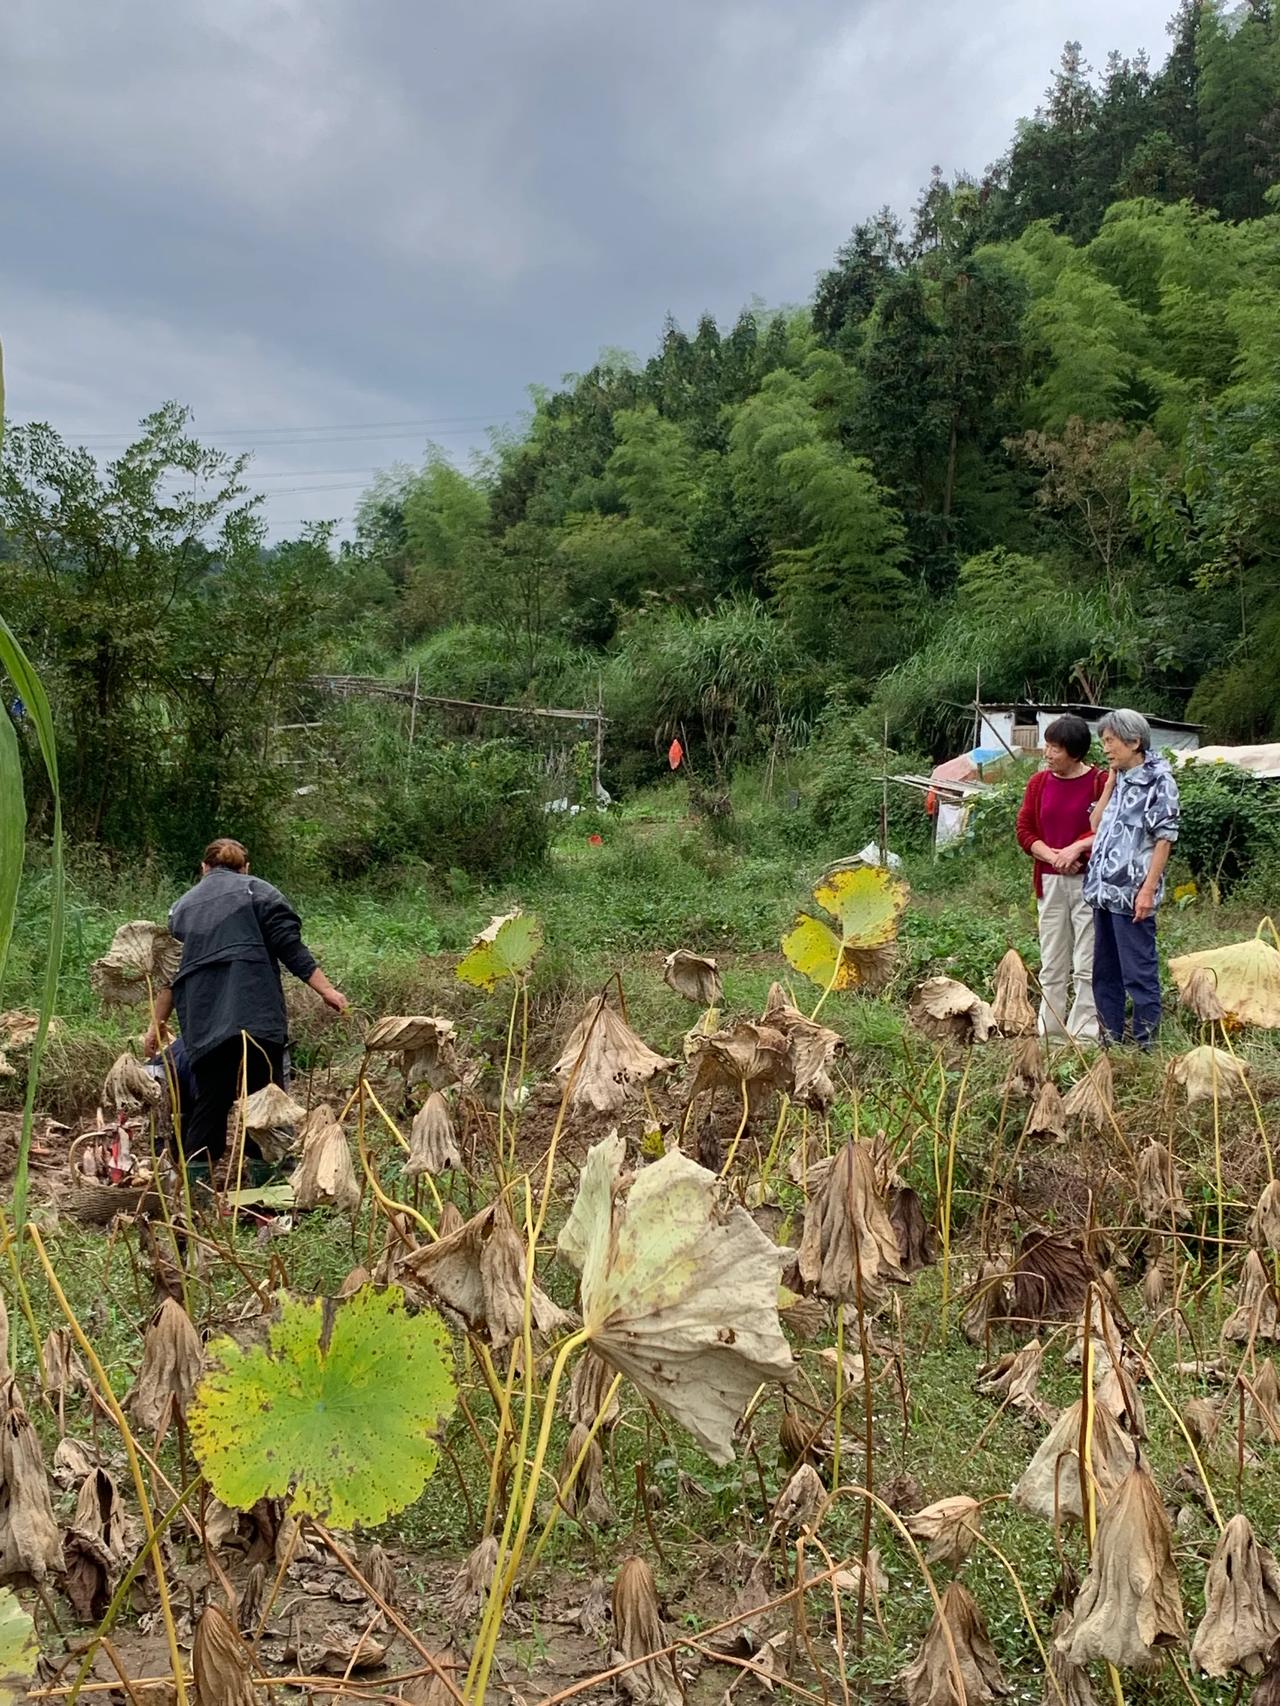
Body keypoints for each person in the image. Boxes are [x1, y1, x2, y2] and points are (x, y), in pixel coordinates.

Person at [143, 838, 347, 1166]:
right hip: (257, 1022)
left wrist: (156, 1025)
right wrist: (328, 991)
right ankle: (266, 1202)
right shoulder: (261, 893)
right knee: (266, 1106)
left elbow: (169, 975)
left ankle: (198, 1201)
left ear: (204, 868)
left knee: (210, 1106)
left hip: (204, 1026)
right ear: (245, 868)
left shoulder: (181, 909)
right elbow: (292, 950)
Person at [1083, 710, 1181, 1050]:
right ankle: (1109, 1041)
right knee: (1105, 974)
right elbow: (1096, 824)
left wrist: (1148, 890)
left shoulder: (1159, 780)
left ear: (1134, 741)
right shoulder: (1120, 778)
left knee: (1138, 974)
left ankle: (1145, 1046)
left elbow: (1164, 838)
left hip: (1133, 893)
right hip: (1104, 891)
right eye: (1104, 742)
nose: (1106, 748)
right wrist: (1110, 783)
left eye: (1110, 741)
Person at [1016, 715, 1107, 1040]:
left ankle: (1084, 1033)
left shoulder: (1100, 782)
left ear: (1075, 752)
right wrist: (1055, 855)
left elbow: (1108, 828)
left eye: (1055, 748)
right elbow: (1025, 830)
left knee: (1086, 960)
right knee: (1052, 959)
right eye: (1048, 746)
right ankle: (1050, 1031)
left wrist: (1075, 850)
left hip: (1088, 883)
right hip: (1050, 881)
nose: (1048, 753)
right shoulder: (1039, 783)